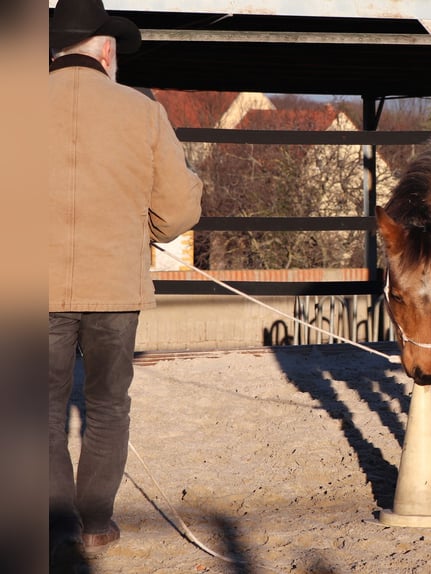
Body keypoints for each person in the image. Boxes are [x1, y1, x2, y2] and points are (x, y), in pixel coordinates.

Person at [48, 0, 203, 565]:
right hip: (115, 284)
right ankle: (95, 523)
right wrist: (150, 227)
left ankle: (57, 524)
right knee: (108, 405)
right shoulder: (142, 111)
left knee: (37, 410)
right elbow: (180, 208)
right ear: (107, 50)